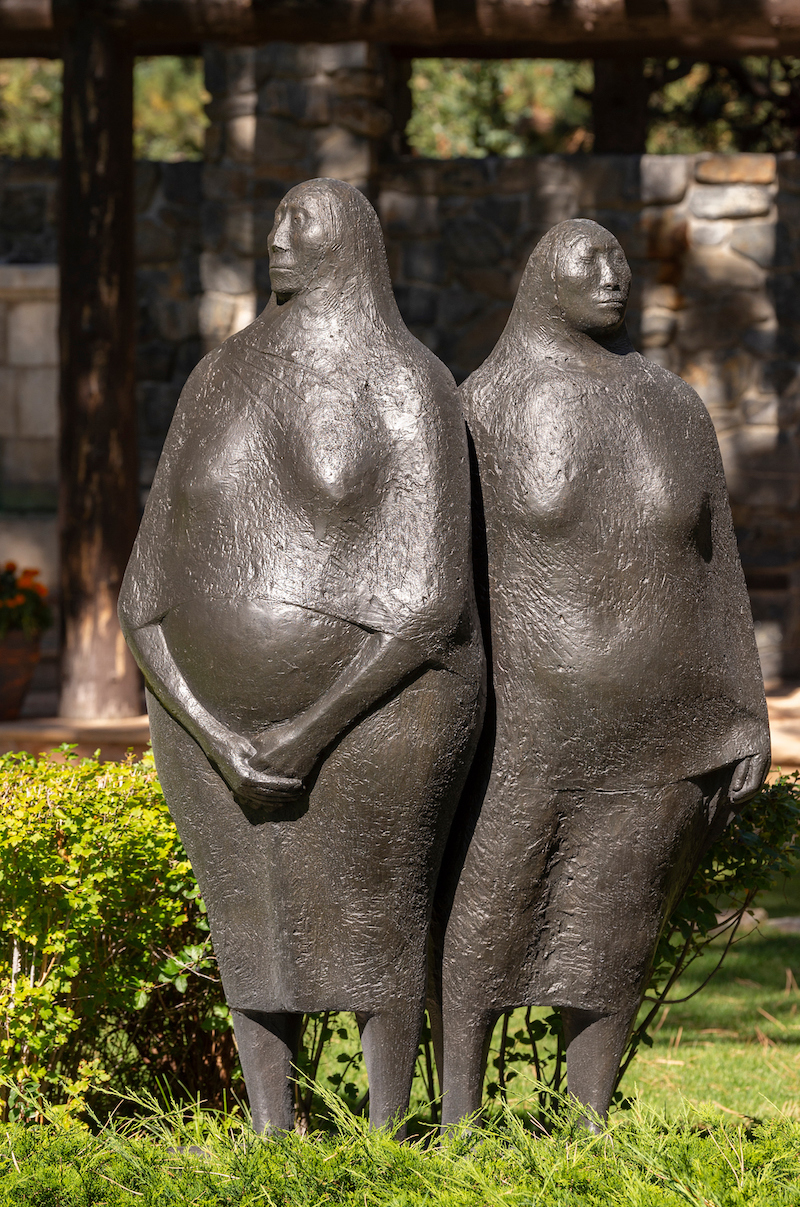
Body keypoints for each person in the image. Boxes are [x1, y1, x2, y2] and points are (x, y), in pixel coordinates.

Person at [119, 178, 485, 1134]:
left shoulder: (408, 382)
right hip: (211, 729)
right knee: (252, 928)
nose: (279, 238)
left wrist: (307, 728)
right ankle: (271, 1132)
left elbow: (433, 597)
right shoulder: (214, 378)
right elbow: (142, 586)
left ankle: (386, 1132)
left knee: (374, 924)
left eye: (304, 223)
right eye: (277, 220)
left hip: (381, 711)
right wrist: (213, 726)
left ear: (353, 242)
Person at [435, 218, 770, 1129]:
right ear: (544, 278)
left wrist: (746, 710)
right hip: (525, 729)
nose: (615, 276)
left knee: (612, 938)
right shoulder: (482, 407)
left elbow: (717, 571)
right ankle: (456, 1125)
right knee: (483, 927)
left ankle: (589, 1127)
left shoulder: (673, 406)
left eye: (621, 261)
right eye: (592, 262)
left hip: (660, 729)